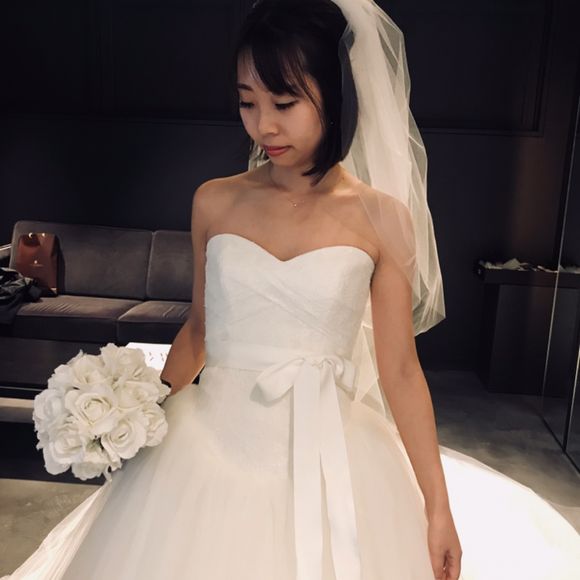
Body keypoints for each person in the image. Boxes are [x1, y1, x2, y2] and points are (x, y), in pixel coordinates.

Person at [3, 1, 580, 579]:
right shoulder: (215, 200)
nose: (264, 126)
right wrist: (129, 412)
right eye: (246, 102)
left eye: (284, 103)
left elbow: (401, 370)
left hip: (332, 451)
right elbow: (200, 331)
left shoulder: (383, 218)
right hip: (209, 447)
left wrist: (437, 507)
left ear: (338, 95)